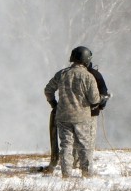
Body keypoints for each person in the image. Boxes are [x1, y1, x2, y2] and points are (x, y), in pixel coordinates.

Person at [44, 46, 105, 178]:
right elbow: (94, 100)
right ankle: (86, 174)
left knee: (65, 146)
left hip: (63, 116)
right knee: (84, 146)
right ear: (86, 59)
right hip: (82, 117)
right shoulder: (88, 77)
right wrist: (103, 98)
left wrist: (54, 104)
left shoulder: (62, 73)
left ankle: (66, 175)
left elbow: (48, 90)